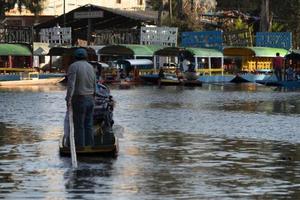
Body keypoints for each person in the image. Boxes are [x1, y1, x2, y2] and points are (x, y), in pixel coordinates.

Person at [65, 48, 96, 147]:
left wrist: (68, 99)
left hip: (79, 99)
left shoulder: (73, 66)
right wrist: (93, 97)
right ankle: (90, 147)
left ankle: (80, 148)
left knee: (79, 126)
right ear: (85, 57)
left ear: (75, 57)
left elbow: (71, 85)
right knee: (89, 125)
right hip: (90, 99)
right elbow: (95, 84)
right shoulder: (90, 67)